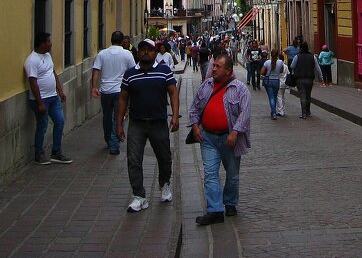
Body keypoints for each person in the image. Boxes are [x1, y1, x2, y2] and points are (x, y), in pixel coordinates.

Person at [187, 53, 251, 225]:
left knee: (232, 175)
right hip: (208, 138)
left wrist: (235, 132)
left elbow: (245, 114)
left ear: (228, 71)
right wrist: (194, 127)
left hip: (229, 139)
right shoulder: (206, 86)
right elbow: (194, 109)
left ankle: (230, 202)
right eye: (213, 65)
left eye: (217, 66)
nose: (213, 69)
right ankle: (215, 210)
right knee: (210, 174)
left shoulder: (239, 89)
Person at [116, 38, 180, 212]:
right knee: (134, 159)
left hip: (158, 121)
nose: (145, 52)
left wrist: (175, 116)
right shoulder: (130, 74)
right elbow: (123, 98)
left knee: (164, 157)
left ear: (155, 53)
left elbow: (173, 93)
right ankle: (139, 196)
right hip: (137, 123)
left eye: (149, 50)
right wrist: (119, 123)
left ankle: (165, 184)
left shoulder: (164, 71)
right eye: (142, 49)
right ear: (138, 53)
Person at [24, 32, 72, 165]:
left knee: (60, 121)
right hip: (41, 99)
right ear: (42, 43)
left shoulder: (48, 56)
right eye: (49, 41)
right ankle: (38, 153)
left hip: (53, 97)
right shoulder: (32, 60)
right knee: (42, 125)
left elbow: (53, 73)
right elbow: (33, 82)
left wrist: (60, 90)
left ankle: (56, 151)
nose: (51, 43)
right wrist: (39, 102)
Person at [91, 30, 136, 154]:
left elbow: (96, 71)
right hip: (121, 91)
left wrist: (94, 87)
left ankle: (108, 138)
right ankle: (114, 143)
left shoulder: (102, 54)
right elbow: (133, 72)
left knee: (106, 116)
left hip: (105, 91)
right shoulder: (127, 54)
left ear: (111, 40)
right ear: (122, 41)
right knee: (119, 117)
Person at [290, 41, 323, 119]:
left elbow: (292, 66)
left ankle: (303, 113)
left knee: (302, 95)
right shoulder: (313, 56)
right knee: (308, 95)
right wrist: (321, 77)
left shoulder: (297, 56)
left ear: (300, 48)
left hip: (299, 79)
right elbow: (317, 67)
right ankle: (308, 111)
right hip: (309, 79)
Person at [260, 48, 288, 120]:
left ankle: (273, 112)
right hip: (276, 81)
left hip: (269, 81)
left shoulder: (267, 62)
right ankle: (274, 112)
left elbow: (262, 72)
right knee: (275, 97)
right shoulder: (280, 62)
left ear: (271, 54)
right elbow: (281, 71)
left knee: (271, 97)